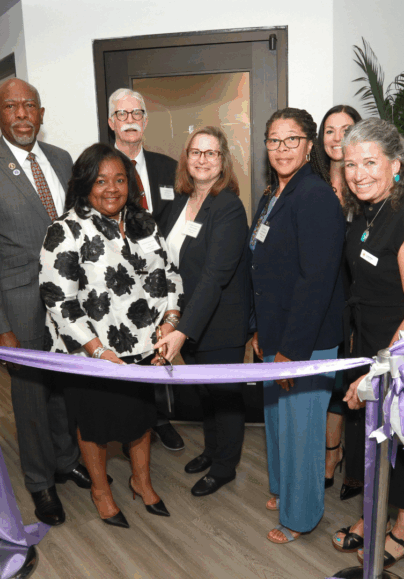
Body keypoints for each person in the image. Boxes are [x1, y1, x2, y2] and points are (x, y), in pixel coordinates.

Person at [0, 78, 87, 527]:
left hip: (68, 303)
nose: (22, 114)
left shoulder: (62, 159)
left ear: (42, 112)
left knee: (67, 390)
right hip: (19, 304)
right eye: (11, 107)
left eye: (29, 105)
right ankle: (40, 483)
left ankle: (66, 460)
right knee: (30, 399)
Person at [38, 143, 184, 528]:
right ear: (85, 184)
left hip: (145, 346)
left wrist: (170, 320)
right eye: (101, 180)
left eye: (120, 179)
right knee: (96, 426)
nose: (112, 188)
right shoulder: (65, 230)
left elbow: (171, 274)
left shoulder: (145, 223)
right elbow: (59, 302)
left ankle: (141, 481)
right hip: (93, 354)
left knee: (141, 420)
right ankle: (101, 491)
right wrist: (98, 350)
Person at [328, 118, 404, 569]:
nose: (358, 173)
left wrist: (375, 370)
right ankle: (371, 513)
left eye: (369, 162)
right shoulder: (368, 209)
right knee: (368, 435)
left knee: (403, 438)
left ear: (395, 165)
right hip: (369, 339)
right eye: (349, 164)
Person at [249, 108, 345, 543]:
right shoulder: (273, 195)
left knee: (302, 431)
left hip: (304, 342)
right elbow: (261, 270)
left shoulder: (316, 197)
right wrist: (258, 330)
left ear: (309, 146)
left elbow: (316, 280)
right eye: (274, 140)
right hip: (274, 334)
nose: (282, 148)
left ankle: (299, 517)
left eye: (292, 140)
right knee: (278, 423)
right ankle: (285, 492)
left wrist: (292, 350)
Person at [155, 127, 251, 496]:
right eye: (196, 152)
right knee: (206, 395)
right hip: (190, 317)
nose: (202, 159)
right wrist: (171, 318)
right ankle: (212, 451)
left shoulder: (227, 206)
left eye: (211, 153)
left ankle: (226, 465)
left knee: (225, 398)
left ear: (223, 161)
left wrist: (181, 331)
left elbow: (214, 277)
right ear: (186, 158)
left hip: (219, 321)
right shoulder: (180, 203)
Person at [105, 87, 185, 452]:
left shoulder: (169, 167)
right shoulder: (100, 168)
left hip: (159, 279)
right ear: (111, 123)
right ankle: (130, 423)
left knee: (157, 347)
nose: (130, 120)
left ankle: (159, 418)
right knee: (125, 351)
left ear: (145, 121)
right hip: (116, 280)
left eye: (136, 113)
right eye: (122, 115)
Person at [315, 104, 365, 501]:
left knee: (354, 381)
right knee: (332, 382)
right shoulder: (310, 180)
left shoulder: (365, 179)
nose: (336, 138)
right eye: (329, 130)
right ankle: (331, 455)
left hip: (359, 294)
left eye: (345, 129)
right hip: (322, 293)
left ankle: (354, 463)